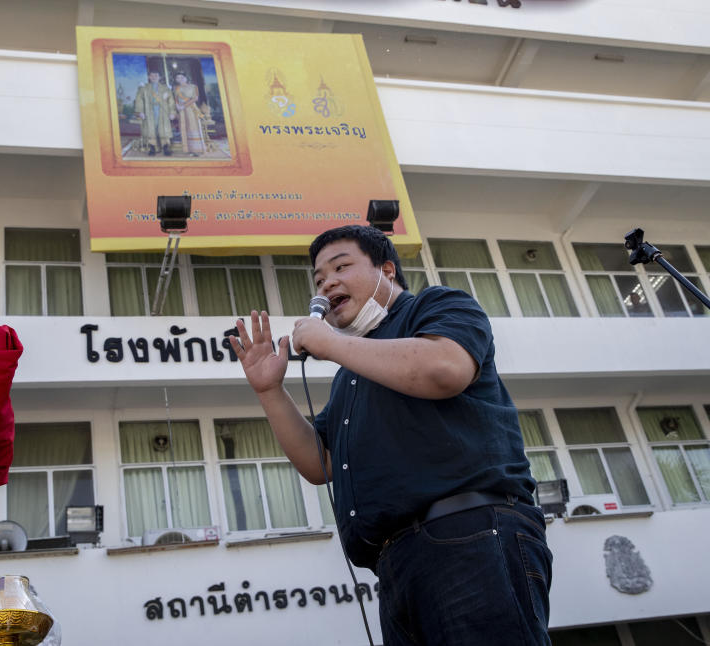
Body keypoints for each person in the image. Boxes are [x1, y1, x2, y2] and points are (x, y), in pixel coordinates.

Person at [232, 224, 552, 646]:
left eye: (341, 267)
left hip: (469, 535)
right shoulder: (353, 371)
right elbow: (319, 463)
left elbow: (445, 368)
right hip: (394, 562)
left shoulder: (437, 305)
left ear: (387, 269)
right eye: (319, 278)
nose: (327, 282)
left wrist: (330, 344)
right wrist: (270, 391)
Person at [133, 70, 175, 156]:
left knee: (163, 129)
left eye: (156, 75)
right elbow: (139, 100)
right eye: (152, 76)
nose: (154, 77)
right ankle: (152, 148)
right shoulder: (144, 88)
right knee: (151, 130)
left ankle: (165, 147)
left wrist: (172, 112)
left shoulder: (165, 88)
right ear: (149, 77)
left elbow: (171, 101)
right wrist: (140, 111)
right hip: (149, 111)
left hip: (163, 112)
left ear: (159, 77)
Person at [172, 71, 206, 156]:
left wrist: (184, 106)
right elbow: (176, 98)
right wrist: (177, 105)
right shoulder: (176, 88)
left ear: (186, 78)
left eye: (182, 77)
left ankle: (197, 150)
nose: (180, 79)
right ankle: (189, 149)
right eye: (178, 78)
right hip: (182, 111)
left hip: (191, 109)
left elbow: (195, 98)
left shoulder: (193, 87)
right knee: (185, 128)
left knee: (193, 127)